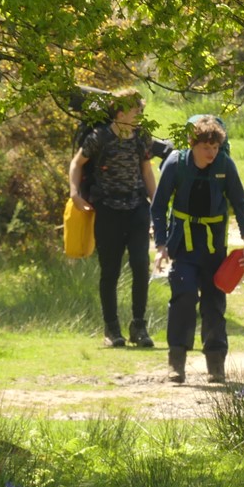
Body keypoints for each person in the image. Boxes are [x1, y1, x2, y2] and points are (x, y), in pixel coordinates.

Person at [151, 115, 244, 384]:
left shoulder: (225, 165)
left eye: (215, 147)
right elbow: (159, 206)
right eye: (205, 147)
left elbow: (240, 204)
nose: (211, 153)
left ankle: (216, 364)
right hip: (183, 244)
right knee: (183, 296)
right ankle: (177, 362)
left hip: (213, 246)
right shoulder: (176, 164)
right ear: (192, 144)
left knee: (213, 303)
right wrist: (161, 246)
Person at [69, 88, 156, 348]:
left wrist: (157, 203)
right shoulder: (100, 137)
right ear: (120, 112)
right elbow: (77, 164)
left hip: (137, 207)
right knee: (111, 271)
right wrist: (75, 194)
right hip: (107, 208)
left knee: (141, 265)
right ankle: (112, 329)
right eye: (135, 110)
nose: (140, 115)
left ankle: (138, 326)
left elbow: (146, 170)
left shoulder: (141, 136)